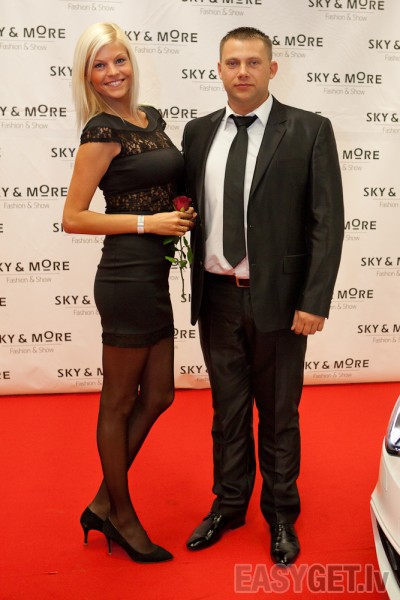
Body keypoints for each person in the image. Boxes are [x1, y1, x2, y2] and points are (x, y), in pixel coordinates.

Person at [182, 27, 344, 565]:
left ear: (272, 69)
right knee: (227, 413)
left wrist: (314, 300)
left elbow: (327, 222)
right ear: (219, 69)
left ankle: (280, 515)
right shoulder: (198, 132)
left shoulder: (309, 130)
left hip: (279, 300)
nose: (243, 72)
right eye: (233, 63)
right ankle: (229, 505)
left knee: (278, 415)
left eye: (253, 62)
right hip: (216, 298)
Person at [62, 22, 195, 564]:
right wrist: (148, 223)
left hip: (153, 276)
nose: (112, 72)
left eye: (118, 60)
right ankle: (120, 513)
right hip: (125, 278)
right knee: (118, 401)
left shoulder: (150, 119)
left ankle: (100, 503)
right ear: (87, 76)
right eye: (99, 65)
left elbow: (160, 184)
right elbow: (73, 217)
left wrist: (178, 212)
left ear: (131, 63)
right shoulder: (101, 132)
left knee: (159, 394)